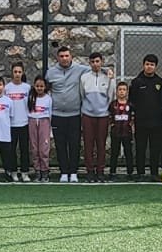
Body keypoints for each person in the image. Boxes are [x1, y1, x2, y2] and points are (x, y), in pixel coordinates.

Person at [45, 44, 90, 182]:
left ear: (71, 57)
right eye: (61, 56)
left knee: (74, 144)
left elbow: (96, 68)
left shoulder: (80, 69)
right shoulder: (50, 73)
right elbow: (45, 90)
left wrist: (108, 72)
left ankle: (73, 172)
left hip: (74, 115)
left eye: (66, 56)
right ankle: (64, 172)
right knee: (60, 145)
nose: (64, 58)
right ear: (57, 58)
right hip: (57, 115)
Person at [128, 54, 162, 181]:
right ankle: (140, 173)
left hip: (156, 122)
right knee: (140, 147)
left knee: (155, 148)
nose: (149, 67)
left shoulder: (160, 82)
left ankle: (154, 173)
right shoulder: (136, 82)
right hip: (141, 121)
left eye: (152, 65)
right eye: (147, 64)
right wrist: (133, 117)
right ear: (143, 65)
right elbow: (132, 101)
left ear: (156, 66)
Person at [81, 52, 115, 182]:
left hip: (103, 116)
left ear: (102, 62)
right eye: (93, 62)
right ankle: (90, 171)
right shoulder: (84, 78)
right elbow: (82, 95)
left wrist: (105, 110)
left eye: (97, 61)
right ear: (89, 63)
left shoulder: (108, 77)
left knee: (101, 144)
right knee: (88, 144)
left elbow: (111, 95)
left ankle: (100, 171)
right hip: (88, 115)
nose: (95, 64)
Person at [5, 62, 32, 177]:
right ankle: (14, 172)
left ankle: (25, 172)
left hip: (24, 123)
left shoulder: (27, 88)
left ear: (23, 73)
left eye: (19, 72)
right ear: (12, 73)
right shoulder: (7, 88)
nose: (17, 74)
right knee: (11, 150)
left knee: (24, 149)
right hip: (11, 124)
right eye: (15, 72)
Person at [27, 76, 53, 181]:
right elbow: (28, 110)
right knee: (34, 148)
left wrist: (50, 130)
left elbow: (50, 113)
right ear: (34, 86)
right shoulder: (31, 97)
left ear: (45, 87)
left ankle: (45, 171)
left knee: (43, 148)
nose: (39, 88)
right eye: (37, 86)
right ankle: (37, 171)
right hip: (32, 121)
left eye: (41, 86)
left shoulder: (48, 98)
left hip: (44, 122)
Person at [108, 81, 135, 179]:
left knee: (128, 152)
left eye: (124, 90)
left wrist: (131, 126)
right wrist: (111, 125)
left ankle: (130, 173)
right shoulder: (113, 104)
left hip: (127, 133)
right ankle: (112, 172)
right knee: (114, 152)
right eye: (120, 89)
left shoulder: (130, 105)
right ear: (116, 91)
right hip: (115, 133)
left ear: (127, 92)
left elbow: (133, 118)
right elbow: (109, 117)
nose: (122, 92)